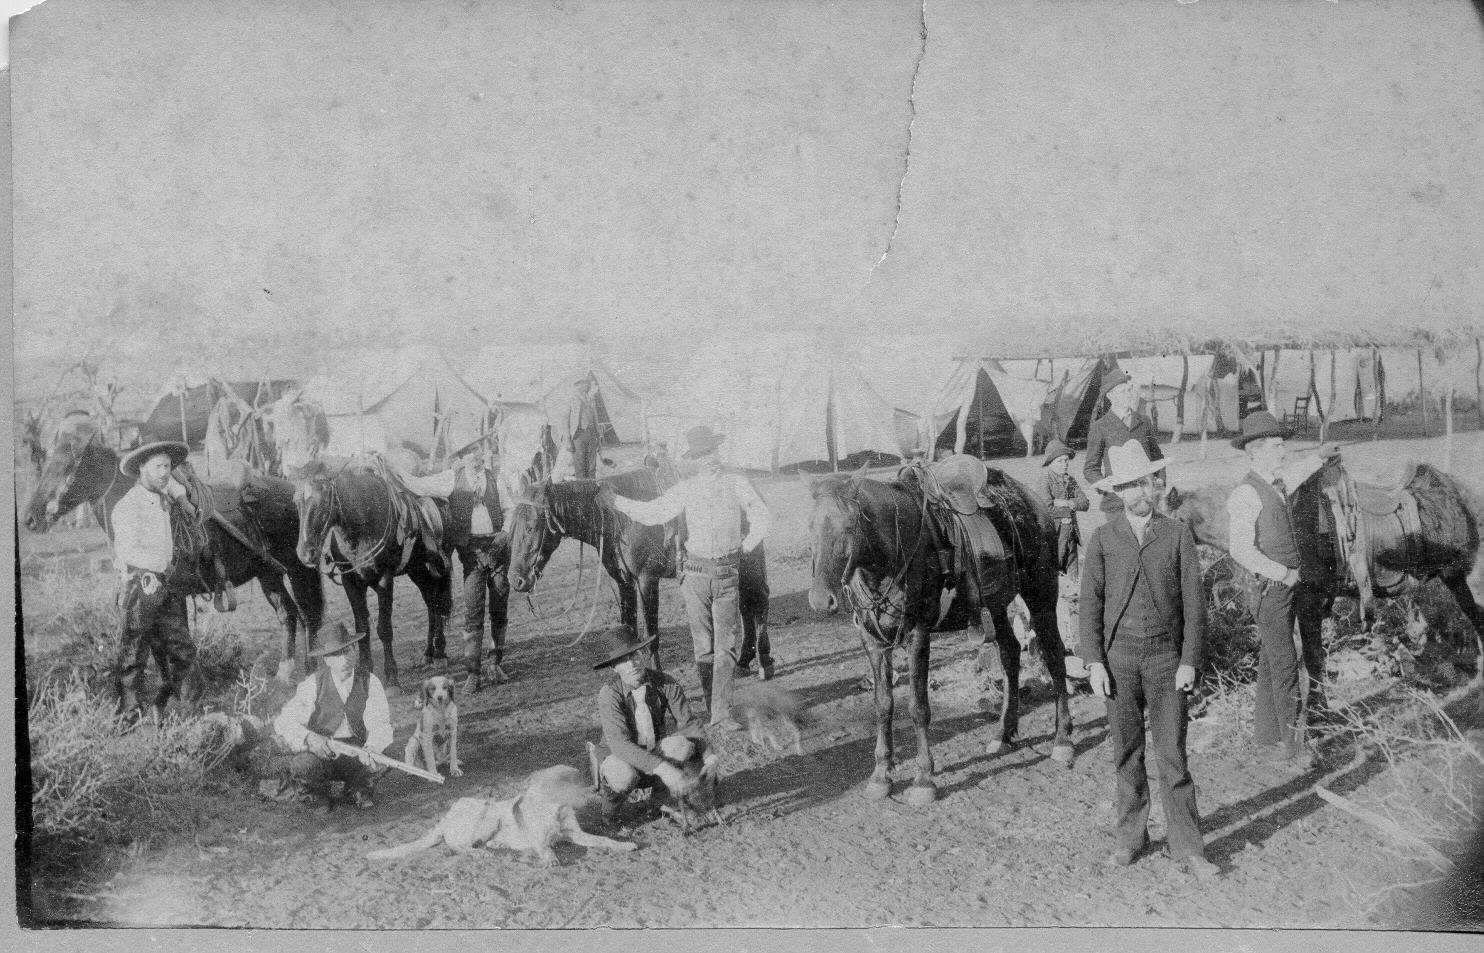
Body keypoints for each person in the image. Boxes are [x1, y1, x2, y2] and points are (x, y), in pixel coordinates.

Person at [1080, 440, 1217, 879]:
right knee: (1126, 753)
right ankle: (1129, 839)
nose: (1139, 491)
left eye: (1144, 481)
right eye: (1128, 485)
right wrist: (1094, 663)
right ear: (1117, 492)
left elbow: (1195, 605)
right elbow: (1089, 606)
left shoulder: (1176, 535)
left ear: (1156, 483)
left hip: (1165, 660)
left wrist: (1189, 660)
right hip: (1118, 662)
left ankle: (1188, 847)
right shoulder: (1103, 538)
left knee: (1173, 755)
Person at [599, 425, 769, 730]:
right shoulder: (687, 489)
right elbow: (653, 512)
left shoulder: (737, 482)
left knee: (726, 646)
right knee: (703, 646)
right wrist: (617, 502)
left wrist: (746, 545)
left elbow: (762, 515)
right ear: (695, 459)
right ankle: (711, 705)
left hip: (727, 573)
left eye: (713, 451)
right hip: (695, 575)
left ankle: (722, 713)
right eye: (703, 455)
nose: (711, 459)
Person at [1225, 411, 1334, 765]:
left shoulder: (1277, 481)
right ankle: (1294, 746)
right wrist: (1281, 571)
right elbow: (1240, 549)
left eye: (1283, 445)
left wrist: (1321, 456)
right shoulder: (1245, 493)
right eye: (1277, 446)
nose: (1284, 451)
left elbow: (1299, 469)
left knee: (1271, 662)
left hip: (1284, 584)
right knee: (1285, 662)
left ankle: (1267, 739)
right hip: (1270, 589)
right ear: (1256, 451)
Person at [111, 440, 201, 721]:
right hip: (140, 586)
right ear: (142, 469)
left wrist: (183, 498)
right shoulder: (127, 506)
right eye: (158, 467)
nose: (164, 472)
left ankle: (188, 709)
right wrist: (161, 565)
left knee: (181, 647)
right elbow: (126, 550)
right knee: (134, 652)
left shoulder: (163, 491)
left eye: (167, 466)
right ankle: (129, 712)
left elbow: (173, 486)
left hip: (165, 584)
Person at [591, 625, 714, 826]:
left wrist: (710, 756)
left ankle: (660, 801)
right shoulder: (610, 694)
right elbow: (620, 744)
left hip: (652, 751)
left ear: (644, 654)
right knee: (623, 774)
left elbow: (688, 722)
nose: (631, 664)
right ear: (614, 668)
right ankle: (609, 813)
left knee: (681, 745)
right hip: (621, 757)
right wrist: (663, 768)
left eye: (634, 655)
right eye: (623, 660)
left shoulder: (665, 682)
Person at [273, 622, 394, 812]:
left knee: (386, 754)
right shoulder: (313, 684)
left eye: (347, 651)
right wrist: (310, 737)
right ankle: (318, 795)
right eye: (336, 655)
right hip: (323, 756)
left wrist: (372, 747)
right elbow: (284, 722)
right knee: (303, 764)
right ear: (326, 660)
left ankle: (357, 789)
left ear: (355, 650)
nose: (344, 659)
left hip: (357, 755)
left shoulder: (370, 682)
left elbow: (381, 725)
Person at [447, 437, 513, 694]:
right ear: (461, 458)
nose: (474, 456)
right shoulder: (453, 479)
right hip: (472, 554)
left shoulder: (495, 477)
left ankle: (495, 664)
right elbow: (422, 485)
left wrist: (504, 534)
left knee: (499, 606)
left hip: (497, 549)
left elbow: (509, 509)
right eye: (468, 452)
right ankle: (472, 673)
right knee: (473, 611)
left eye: (476, 450)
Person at [1083, 369, 1163, 513]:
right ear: (1110, 396)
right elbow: (1090, 469)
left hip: (1147, 499)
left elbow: (1158, 458)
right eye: (1123, 391)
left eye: (1129, 390)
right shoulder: (1100, 427)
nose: (1129, 394)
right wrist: (1106, 486)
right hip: (1117, 503)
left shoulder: (1144, 421)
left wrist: (1160, 481)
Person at [1040, 438, 1089, 578]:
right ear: (1050, 464)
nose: (1064, 464)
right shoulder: (1045, 481)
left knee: (1073, 574)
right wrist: (1067, 511)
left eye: (1066, 460)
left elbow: (1085, 503)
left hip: (1071, 534)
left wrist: (1066, 502)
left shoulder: (1070, 480)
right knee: (1054, 571)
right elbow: (1047, 508)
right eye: (1059, 461)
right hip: (1054, 534)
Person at [560, 375, 602, 480]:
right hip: (578, 435)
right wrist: (568, 441)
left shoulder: (590, 399)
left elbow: (595, 419)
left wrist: (598, 438)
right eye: (583, 383)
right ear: (577, 385)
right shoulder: (570, 399)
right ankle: (581, 490)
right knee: (579, 466)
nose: (586, 385)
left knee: (592, 466)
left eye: (586, 383)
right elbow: (565, 420)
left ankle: (592, 487)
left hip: (591, 435)